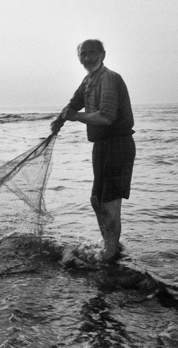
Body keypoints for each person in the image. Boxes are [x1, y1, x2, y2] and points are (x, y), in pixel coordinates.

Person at [51, 39, 135, 262]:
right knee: (96, 200)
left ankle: (110, 254)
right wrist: (59, 120)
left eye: (92, 53)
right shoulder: (88, 80)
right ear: (79, 57)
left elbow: (106, 117)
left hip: (119, 143)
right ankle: (110, 245)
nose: (87, 57)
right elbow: (73, 104)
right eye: (83, 54)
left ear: (103, 55)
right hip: (101, 145)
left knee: (110, 202)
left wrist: (75, 117)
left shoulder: (109, 78)